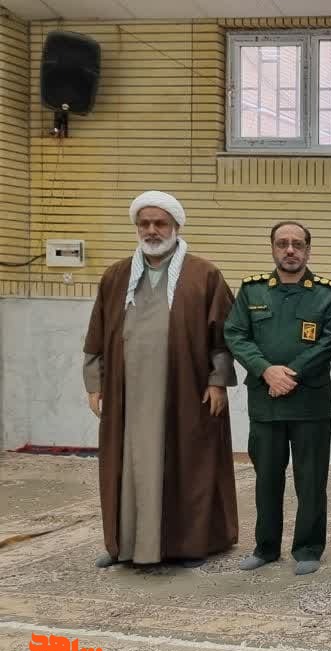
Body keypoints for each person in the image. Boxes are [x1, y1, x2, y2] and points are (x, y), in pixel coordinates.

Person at [82, 190, 239, 569]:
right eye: (145, 224)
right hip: (127, 396)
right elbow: (97, 335)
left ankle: (187, 546)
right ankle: (124, 544)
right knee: (126, 466)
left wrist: (217, 381)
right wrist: (95, 383)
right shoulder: (116, 276)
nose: (152, 230)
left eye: (160, 223)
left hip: (186, 393)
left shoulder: (204, 274)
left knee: (189, 465)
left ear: (175, 226)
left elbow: (224, 336)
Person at [224, 221, 331, 576]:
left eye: (297, 244)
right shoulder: (252, 290)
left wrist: (289, 374)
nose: (290, 250)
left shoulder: (327, 292)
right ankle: (265, 548)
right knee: (267, 479)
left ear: (308, 249)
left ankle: (308, 548)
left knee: (311, 481)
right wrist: (266, 370)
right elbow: (236, 334)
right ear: (273, 248)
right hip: (266, 403)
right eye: (282, 243)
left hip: (310, 403)